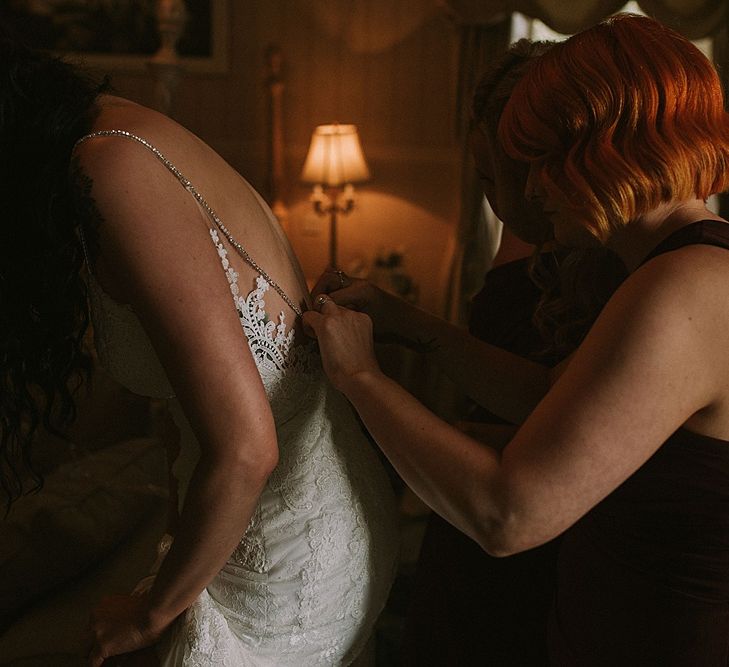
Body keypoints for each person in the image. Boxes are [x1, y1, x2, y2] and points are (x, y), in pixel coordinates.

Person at [306, 13, 729, 664]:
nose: (530, 189)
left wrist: (360, 377)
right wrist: (408, 326)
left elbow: (507, 516)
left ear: (599, 148)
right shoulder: (670, 267)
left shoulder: (685, 286)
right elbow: (546, 397)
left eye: (539, 160)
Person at [0, 32, 399, 666]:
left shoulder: (115, 170)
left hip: (287, 557)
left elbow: (246, 448)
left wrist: (150, 613)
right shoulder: (130, 131)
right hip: (308, 518)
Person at [400, 39, 625, 666]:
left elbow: (546, 420)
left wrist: (375, 394)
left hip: (538, 541)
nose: (494, 200)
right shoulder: (530, 247)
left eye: (495, 177)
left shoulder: (636, 282)